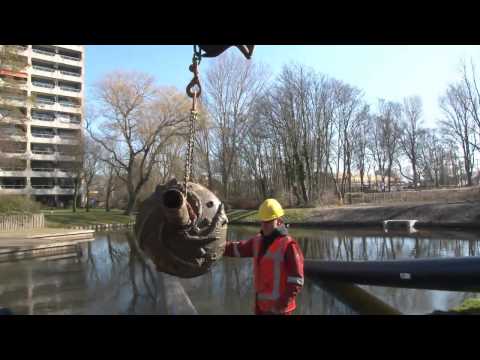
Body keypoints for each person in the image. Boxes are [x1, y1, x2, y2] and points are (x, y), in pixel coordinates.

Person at [224, 199, 304, 315]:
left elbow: (297, 280)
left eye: (268, 222)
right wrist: (217, 247)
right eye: (262, 222)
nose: (264, 226)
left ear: (279, 221)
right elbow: (237, 249)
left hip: (280, 310)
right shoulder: (258, 241)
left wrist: (280, 305)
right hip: (261, 308)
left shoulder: (288, 245)